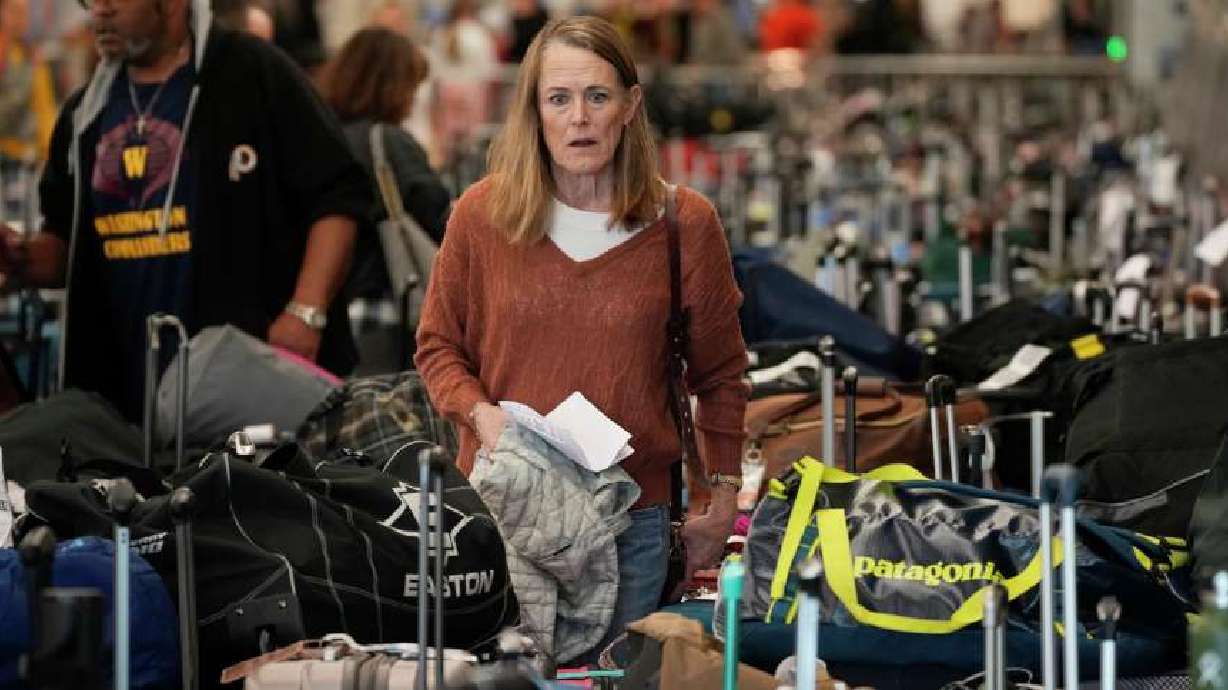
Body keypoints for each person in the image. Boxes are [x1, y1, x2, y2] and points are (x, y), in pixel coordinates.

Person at [415, 15, 747, 658]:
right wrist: (485, 420)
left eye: (597, 96)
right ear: (534, 111)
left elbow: (720, 375)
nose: (579, 118)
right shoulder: (482, 216)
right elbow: (437, 347)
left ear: (630, 106)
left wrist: (723, 495)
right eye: (558, 99)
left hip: (633, 524)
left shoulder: (684, 224)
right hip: (507, 513)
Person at [0, 0, 370, 423]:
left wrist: (306, 313)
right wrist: (20, 257)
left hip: (239, 392)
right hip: (116, 407)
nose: (97, 11)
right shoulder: (86, 114)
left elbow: (340, 195)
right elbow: (70, 248)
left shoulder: (251, 73)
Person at [321, 26, 451, 372]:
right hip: (385, 305)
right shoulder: (388, 142)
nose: (411, 102)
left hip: (330, 310)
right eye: (411, 87)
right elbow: (440, 218)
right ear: (392, 86)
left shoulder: (323, 136)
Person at [0, 0, 57, 165]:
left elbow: (45, 109)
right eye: (14, 11)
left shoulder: (32, 59)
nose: (21, 18)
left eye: (25, 12)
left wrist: (50, 153)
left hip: (24, 156)